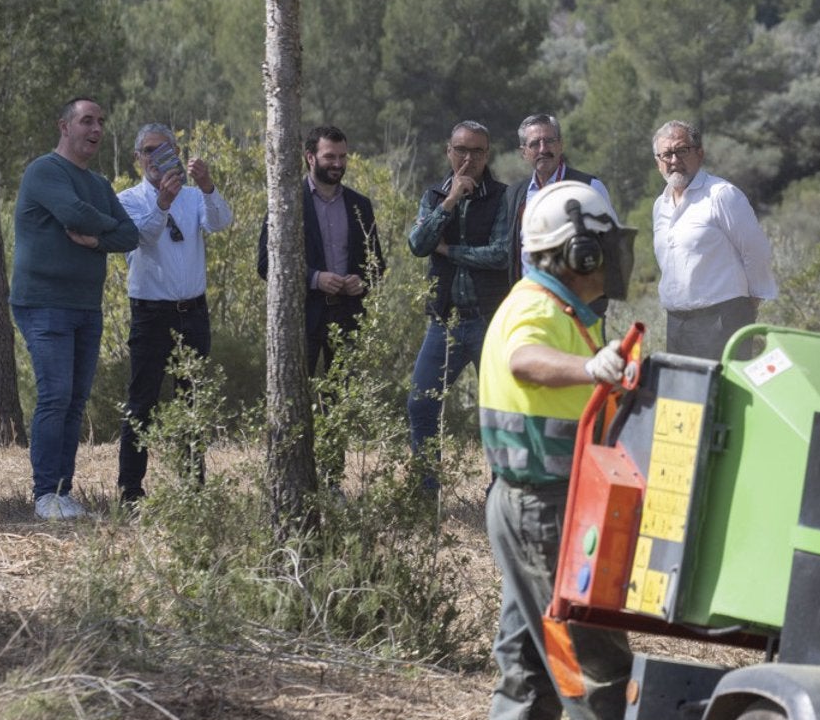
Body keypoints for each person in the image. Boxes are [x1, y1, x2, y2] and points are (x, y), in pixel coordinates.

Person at [463, 180, 679, 720]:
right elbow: (523, 359)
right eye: (603, 246)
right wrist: (589, 366)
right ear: (574, 250)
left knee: (529, 665)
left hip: (541, 507)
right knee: (593, 662)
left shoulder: (570, 310)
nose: (614, 258)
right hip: (540, 510)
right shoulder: (533, 309)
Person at [11, 97, 140, 520]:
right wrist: (106, 223)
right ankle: (45, 494)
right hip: (43, 304)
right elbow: (71, 211)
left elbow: (131, 235)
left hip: (86, 306)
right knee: (55, 396)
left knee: (74, 400)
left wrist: (98, 237)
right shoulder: (44, 171)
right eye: (87, 120)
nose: (96, 129)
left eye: (101, 122)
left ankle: (63, 493)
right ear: (64, 126)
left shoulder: (100, 184)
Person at [115, 123, 234, 503]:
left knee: (192, 401)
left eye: (164, 150)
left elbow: (220, 223)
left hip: (192, 312)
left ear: (177, 153)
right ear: (138, 158)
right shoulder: (129, 199)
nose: (156, 158)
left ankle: (193, 490)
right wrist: (162, 203)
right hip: (151, 313)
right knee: (142, 402)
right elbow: (141, 238)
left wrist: (208, 185)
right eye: (149, 151)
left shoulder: (194, 197)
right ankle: (131, 492)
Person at [405, 120, 512, 477]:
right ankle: (425, 493)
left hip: (490, 320)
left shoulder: (503, 197)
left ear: (487, 154)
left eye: (477, 151)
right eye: (461, 150)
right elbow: (418, 245)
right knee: (421, 403)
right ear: (449, 151)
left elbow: (500, 254)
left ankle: (501, 494)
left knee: (501, 411)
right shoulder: (434, 196)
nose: (468, 158)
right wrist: (450, 202)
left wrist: (449, 249)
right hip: (444, 320)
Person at [256, 125, 385, 375]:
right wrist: (315, 279)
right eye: (330, 157)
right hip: (302, 317)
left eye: (342, 156)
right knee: (296, 393)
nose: (338, 163)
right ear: (310, 157)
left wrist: (362, 281)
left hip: (349, 316)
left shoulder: (360, 205)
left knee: (344, 401)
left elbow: (376, 263)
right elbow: (265, 264)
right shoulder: (286, 203)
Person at [650, 119, 777, 360]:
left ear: (699, 154)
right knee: (683, 397)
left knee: (723, 396)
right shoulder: (660, 205)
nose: (674, 160)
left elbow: (756, 251)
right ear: (658, 163)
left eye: (682, 151)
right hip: (676, 323)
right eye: (666, 154)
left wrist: (748, 306)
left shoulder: (721, 195)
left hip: (722, 320)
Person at [498, 113, 611, 280]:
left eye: (549, 141)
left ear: (561, 145)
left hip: (577, 299)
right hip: (532, 297)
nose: (543, 149)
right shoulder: (514, 194)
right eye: (535, 144)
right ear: (524, 153)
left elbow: (611, 245)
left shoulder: (589, 187)